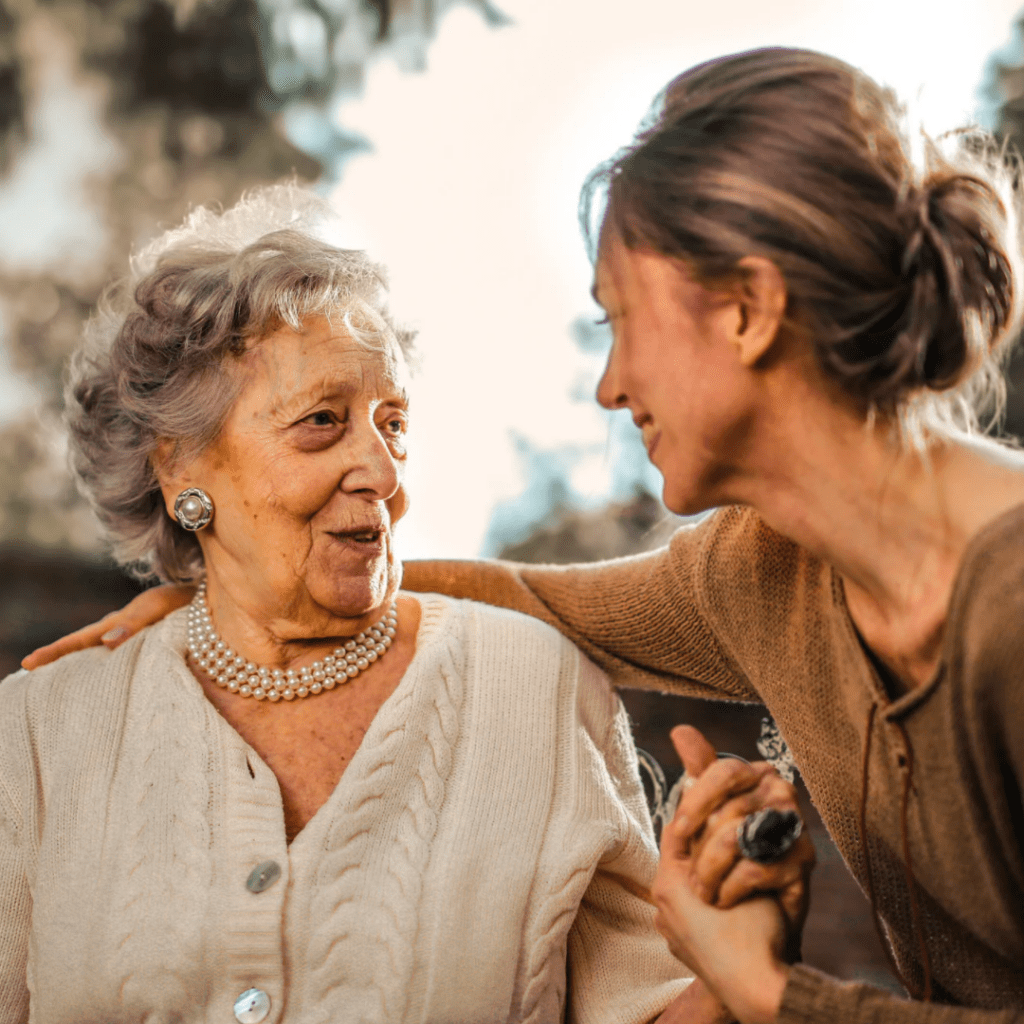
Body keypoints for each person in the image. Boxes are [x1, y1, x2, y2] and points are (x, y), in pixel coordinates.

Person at [28, 45, 1024, 1022]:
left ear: (750, 311)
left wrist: (772, 993)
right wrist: (227, 583)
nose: (610, 384)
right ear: (179, 465)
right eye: (320, 423)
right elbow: (532, 599)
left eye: (620, 320)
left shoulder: (1008, 599)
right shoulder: (761, 574)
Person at [0, 185, 708, 1023]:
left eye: (393, 422)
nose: (383, 471)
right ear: (180, 466)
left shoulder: (539, 692)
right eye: (323, 422)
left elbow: (647, 1006)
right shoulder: (41, 733)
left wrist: (735, 965)